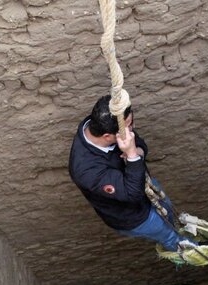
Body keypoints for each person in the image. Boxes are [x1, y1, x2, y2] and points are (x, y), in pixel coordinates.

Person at [69, 95, 192, 252]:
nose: (133, 129)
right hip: (134, 217)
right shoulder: (85, 171)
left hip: (146, 187)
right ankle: (190, 252)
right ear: (107, 136)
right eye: (129, 126)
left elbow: (139, 144)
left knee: (169, 214)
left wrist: (137, 151)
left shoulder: (105, 122)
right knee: (169, 235)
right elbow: (132, 193)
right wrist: (132, 155)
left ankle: (179, 229)